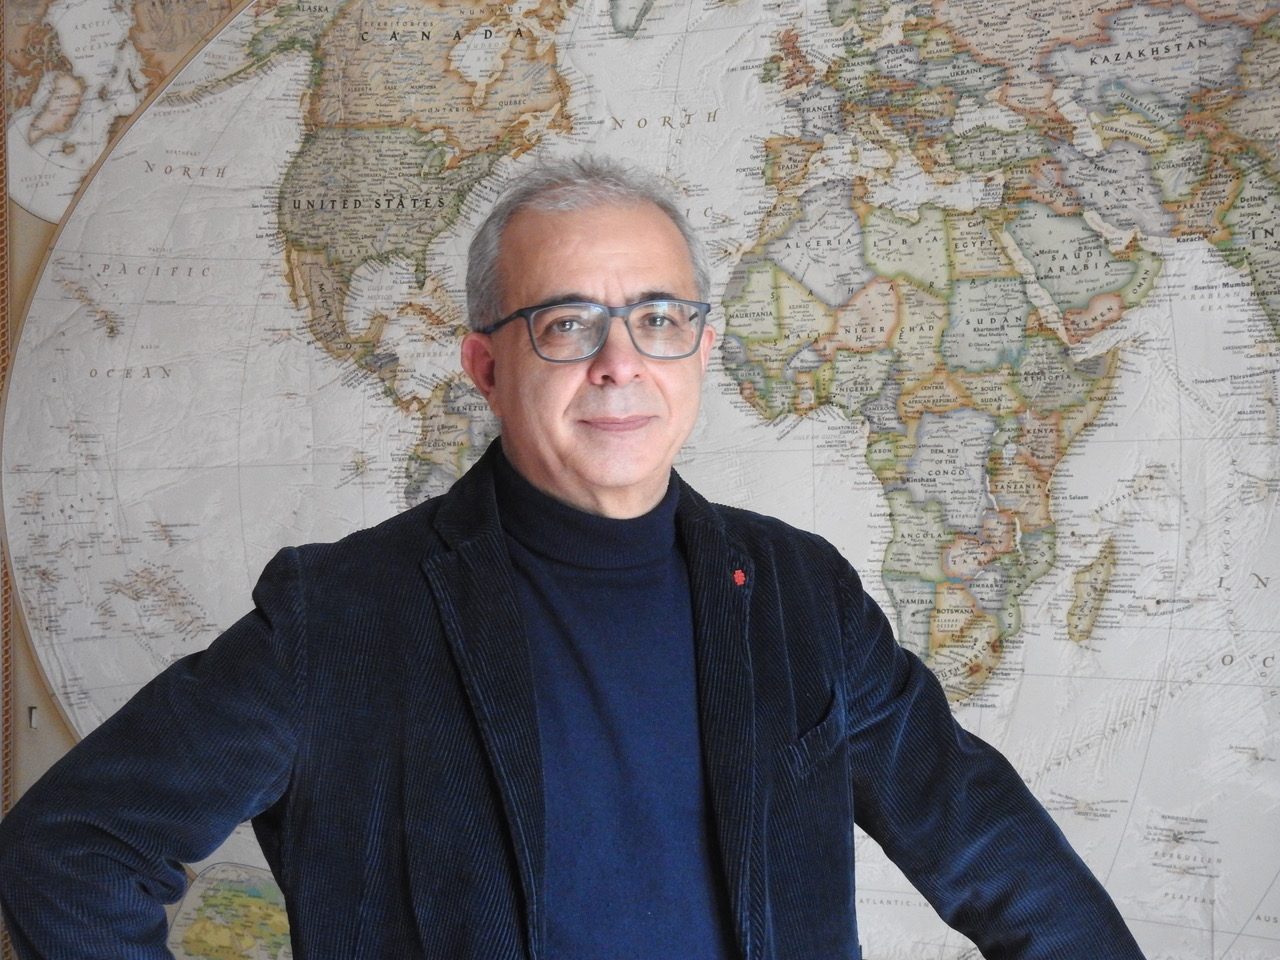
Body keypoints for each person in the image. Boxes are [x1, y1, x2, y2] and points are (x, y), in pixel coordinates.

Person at [0, 156, 1146, 959]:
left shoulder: (801, 594)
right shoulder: (339, 616)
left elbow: (997, 854)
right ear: (484, 367)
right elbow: (71, 850)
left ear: (700, 350)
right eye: (564, 324)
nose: (618, 363)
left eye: (657, 318)